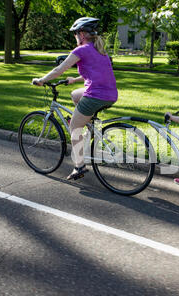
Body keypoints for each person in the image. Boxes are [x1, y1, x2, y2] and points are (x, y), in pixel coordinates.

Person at [32, 17, 118, 180]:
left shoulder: (80, 50)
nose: (75, 37)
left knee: (74, 129)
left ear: (82, 34)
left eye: (75, 34)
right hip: (110, 95)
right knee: (75, 94)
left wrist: (42, 80)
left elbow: (59, 69)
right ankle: (89, 126)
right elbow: (97, 73)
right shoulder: (100, 50)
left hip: (95, 96)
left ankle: (79, 166)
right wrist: (76, 80)